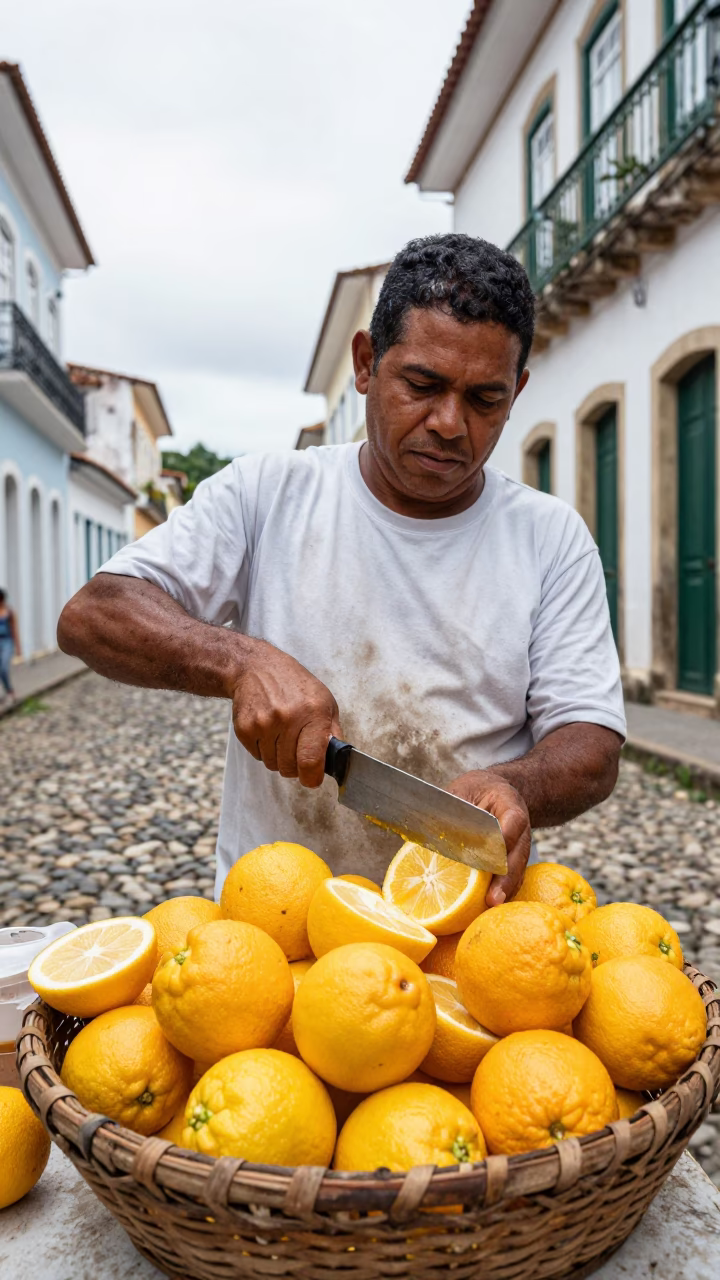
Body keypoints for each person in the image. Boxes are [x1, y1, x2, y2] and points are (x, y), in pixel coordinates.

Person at [58, 233, 625, 906]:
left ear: (517, 390)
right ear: (365, 363)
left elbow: (590, 744)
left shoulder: (550, 538)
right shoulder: (267, 494)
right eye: (422, 385)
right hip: (273, 928)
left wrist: (516, 786)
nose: (449, 423)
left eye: (485, 399)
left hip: (460, 932)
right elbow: (94, 614)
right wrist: (240, 662)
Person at [0, 588, 20, 706]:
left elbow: (14, 630)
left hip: (7, 641)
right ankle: (7, 691)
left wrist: (18, 647)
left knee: (4, 668)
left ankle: (10, 691)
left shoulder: (9, 612)